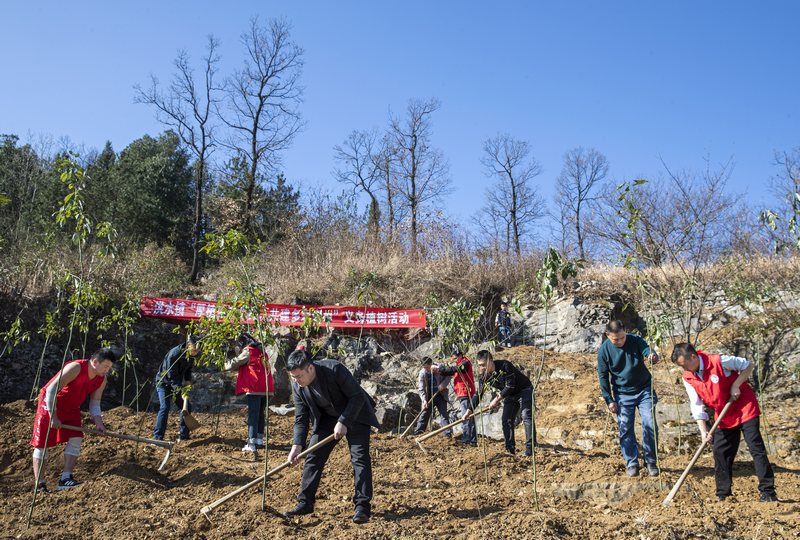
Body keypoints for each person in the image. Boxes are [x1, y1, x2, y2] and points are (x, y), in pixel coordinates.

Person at [671, 343, 778, 502]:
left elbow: (748, 365)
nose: (684, 369)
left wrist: (736, 384)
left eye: (684, 365)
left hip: (745, 408)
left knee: (756, 448)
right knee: (720, 451)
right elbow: (696, 404)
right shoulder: (688, 377)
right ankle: (723, 494)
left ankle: (768, 492)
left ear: (693, 357)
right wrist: (703, 431)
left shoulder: (719, 361)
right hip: (723, 414)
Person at [283, 349, 380, 524]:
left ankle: (362, 507)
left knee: (359, 459)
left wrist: (344, 421)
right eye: (293, 377)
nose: (296, 381)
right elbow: (301, 418)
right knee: (313, 456)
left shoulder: (334, 369)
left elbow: (357, 396)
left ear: (310, 368)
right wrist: (296, 445)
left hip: (355, 413)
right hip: (327, 419)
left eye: (298, 376)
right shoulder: (298, 386)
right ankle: (305, 502)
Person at [30, 347, 116, 492]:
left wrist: (99, 423)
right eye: (105, 366)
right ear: (95, 362)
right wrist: (53, 416)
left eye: (109, 367)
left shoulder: (102, 379)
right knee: (42, 442)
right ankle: (40, 484)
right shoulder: (75, 368)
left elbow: (95, 402)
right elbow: (51, 390)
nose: (107, 370)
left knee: (76, 437)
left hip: (72, 408)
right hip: (50, 404)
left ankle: (66, 478)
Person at [596, 320, 660, 477]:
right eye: (615, 339)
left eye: (622, 337)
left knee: (649, 423)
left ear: (625, 331)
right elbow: (603, 376)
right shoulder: (604, 351)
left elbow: (647, 350)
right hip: (622, 394)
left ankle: (650, 460)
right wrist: (609, 399)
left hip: (644, 389)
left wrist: (652, 355)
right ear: (607, 336)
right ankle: (631, 462)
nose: (620, 341)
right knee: (625, 428)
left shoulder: (635, 339)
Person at [470, 350, 535, 456]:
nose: (481, 368)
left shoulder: (505, 366)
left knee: (526, 416)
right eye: (479, 365)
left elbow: (510, 386)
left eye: (483, 365)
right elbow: (478, 394)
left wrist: (495, 400)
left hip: (524, 390)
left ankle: (530, 449)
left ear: (490, 361)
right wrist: (469, 410)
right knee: (506, 420)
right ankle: (510, 450)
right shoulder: (485, 377)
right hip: (510, 395)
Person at [227, 333, 274, 452]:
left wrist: (224, 364)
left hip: (254, 387)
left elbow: (235, 362)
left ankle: (251, 443)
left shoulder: (249, 351)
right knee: (260, 413)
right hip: (266, 387)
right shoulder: (262, 351)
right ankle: (259, 440)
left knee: (253, 413)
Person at [153, 334, 199, 441]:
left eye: (197, 351)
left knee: (187, 407)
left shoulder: (191, 356)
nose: (195, 353)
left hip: (176, 383)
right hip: (164, 383)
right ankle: (157, 437)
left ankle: (184, 436)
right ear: (188, 345)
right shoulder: (174, 354)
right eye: (194, 350)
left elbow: (188, 370)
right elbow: (171, 375)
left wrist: (187, 383)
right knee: (165, 407)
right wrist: (180, 390)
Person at [433, 348, 477, 446]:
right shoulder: (460, 364)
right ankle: (472, 440)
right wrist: (440, 370)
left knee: (466, 417)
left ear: (459, 355)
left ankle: (467, 439)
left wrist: (441, 369)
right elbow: (450, 371)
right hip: (463, 393)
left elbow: (454, 369)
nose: (453, 358)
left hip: (466, 392)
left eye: (454, 356)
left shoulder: (464, 363)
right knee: (469, 417)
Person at [413, 356, 452, 436]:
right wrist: (424, 400)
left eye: (428, 367)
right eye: (424, 367)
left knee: (444, 415)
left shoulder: (440, 367)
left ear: (431, 364)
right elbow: (421, 388)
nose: (426, 369)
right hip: (429, 397)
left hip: (440, 395)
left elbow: (449, 375)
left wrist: (443, 385)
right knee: (424, 414)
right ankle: (418, 433)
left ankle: (447, 434)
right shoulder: (422, 373)